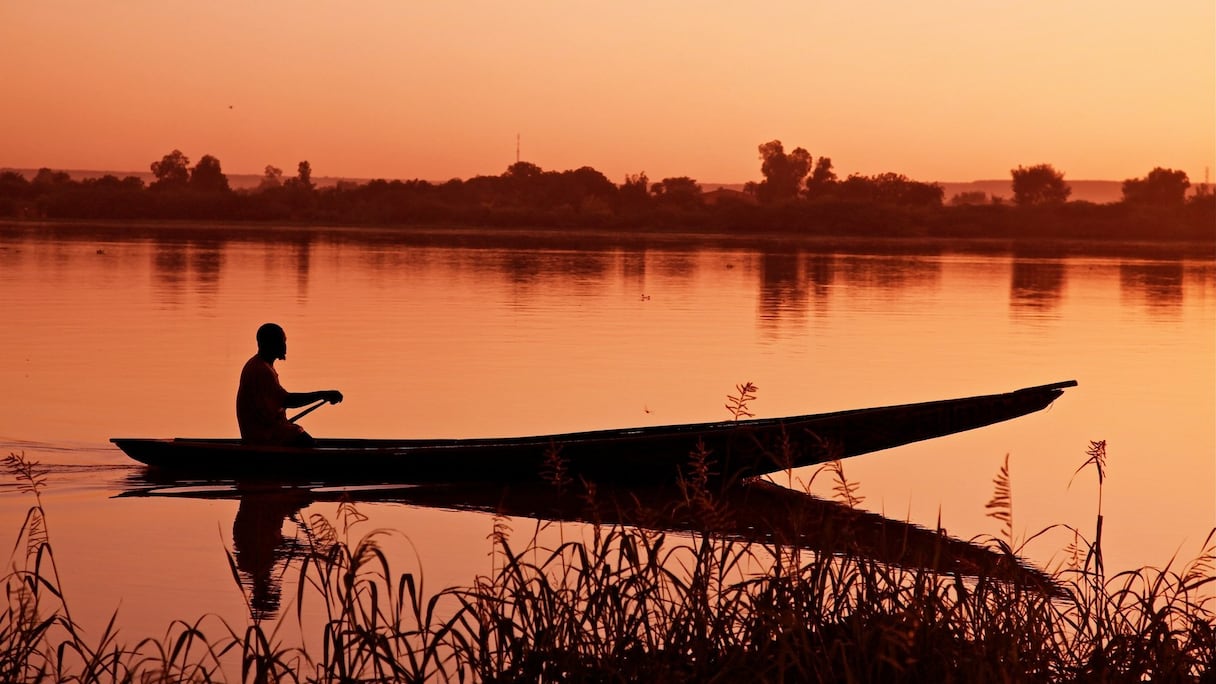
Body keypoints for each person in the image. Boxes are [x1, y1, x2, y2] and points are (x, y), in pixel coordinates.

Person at [236, 323, 342, 447]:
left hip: (263, 431)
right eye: (281, 342)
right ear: (269, 344)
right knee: (307, 443)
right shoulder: (261, 370)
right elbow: (288, 400)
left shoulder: (260, 365)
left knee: (303, 438)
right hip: (263, 436)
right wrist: (324, 394)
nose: (285, 347)